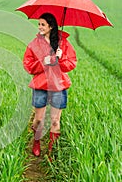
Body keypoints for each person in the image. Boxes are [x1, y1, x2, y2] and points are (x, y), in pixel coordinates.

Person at [23, 13, 77, 159]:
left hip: (58, 85)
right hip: (41, 85)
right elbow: (28, 66)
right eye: (39, 24)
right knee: (39, 119)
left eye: (43, 24)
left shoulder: (63, 43)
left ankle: (51, 152)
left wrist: (60, 58)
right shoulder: (34, 44)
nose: (39, 27)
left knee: (55, 121)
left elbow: (71, 63)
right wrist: (44, 61)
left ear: (51, 26)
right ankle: (36, 142)